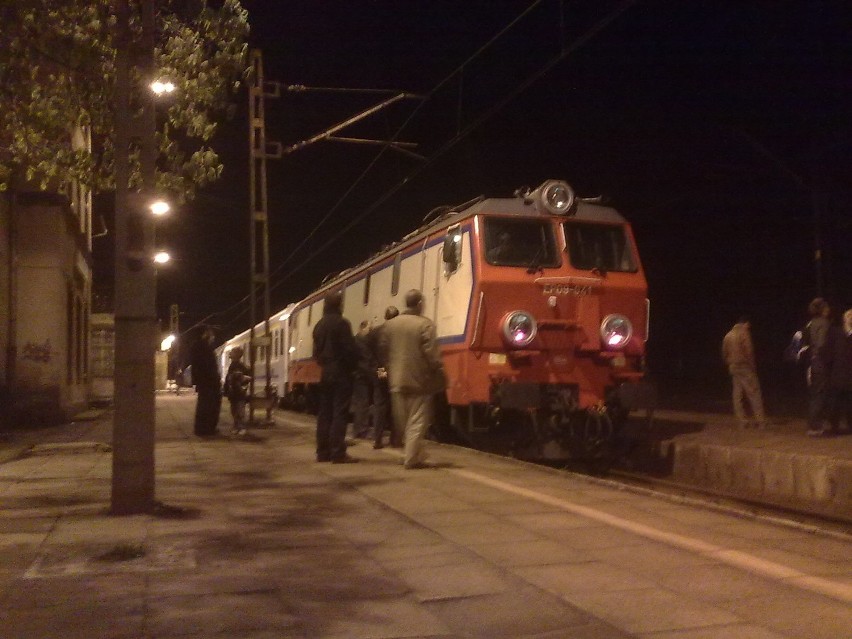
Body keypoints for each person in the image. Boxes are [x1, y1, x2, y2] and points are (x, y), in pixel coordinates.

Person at [380, 289, 446, 469]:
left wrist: (387, 370)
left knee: (403, 421)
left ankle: (414, 453)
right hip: (419, 380)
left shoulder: (389, 326)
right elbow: (432, 355)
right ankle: (411, 458)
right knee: (417, 421)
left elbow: (383, 352)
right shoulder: (425, 325)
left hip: (396, 380)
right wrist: (438, 370)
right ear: (419, 304)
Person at [312, 291, 360, 463]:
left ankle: (322, 452)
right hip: (341, 372)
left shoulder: (319, 325)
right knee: (340, 412)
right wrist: (353, 366)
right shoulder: (342, 324)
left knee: (324, 413)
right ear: (340, 305)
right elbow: (350, 350)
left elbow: (315, 353)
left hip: (326, 372)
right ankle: (338, 452)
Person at [721, 316, 766, 428]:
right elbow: (749, 351)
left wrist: (730, 362)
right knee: (754, 392)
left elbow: (724, 353)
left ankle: (742, 421)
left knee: (737, 394)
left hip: (733, 366)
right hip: (744, 366)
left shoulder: (728, 335)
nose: (749, 328)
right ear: (745, 323)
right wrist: (753, 366)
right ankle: (760, 420)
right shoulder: (744, 333)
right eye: (748, 325)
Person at [368, 306, 400, 449]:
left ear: (385, 317)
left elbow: (368, 352)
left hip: (380, 370)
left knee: (380, 405)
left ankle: (377, 439)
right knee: (395, 405)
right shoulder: (400, 332)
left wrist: (376, 367)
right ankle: (394, 439)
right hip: (396, 371)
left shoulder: (375, 332)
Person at [820, 308, 852, 436]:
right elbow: (827, 351)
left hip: (850, 374)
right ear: (844, 318)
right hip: (837, 373)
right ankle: (834, 427)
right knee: (835, 403)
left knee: (850, 402)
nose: (851, 318)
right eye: (849, 315)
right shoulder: (835, 332)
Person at [804, 298, 832, 436]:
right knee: (820, 393)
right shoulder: (824, 323)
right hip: (820, 362)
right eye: (826, 307)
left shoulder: (811, 323)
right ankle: (816, 426)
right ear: (822, 309)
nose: (829, 310)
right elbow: (821, 344)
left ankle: (813, 424)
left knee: (815, 393)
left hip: (813, 361)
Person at [189, 325, 222, 437]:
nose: (212, 336)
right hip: (208, 382)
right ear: (205, 334)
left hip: (204, 382)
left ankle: (203, 428)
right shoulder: (203, 347)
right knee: (208, 406)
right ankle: (206, 429)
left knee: (204, 405)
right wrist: (215, 379)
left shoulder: (197, 346)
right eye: (210, 333)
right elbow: (208, 366)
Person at [351, 320, 375, 439]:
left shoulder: (355, 340)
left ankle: (358, 429)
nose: (371, 331)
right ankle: (361, 430)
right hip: (362, 376)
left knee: (360, 403)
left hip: (357, 375)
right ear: (363, 328)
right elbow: (366, 361)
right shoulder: (362, 342)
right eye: (369, 329)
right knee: (362, 404)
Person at [223, 346, 251, 436]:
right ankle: (236, 426)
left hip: (239, 393)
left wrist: (241, 379)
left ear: (237, 355)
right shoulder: (232, 365)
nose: (230, 354)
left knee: (240, 411)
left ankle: (241, 427)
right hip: (234, 393)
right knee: (234, 410)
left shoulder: (241, 366)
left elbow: (248, 377)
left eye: (232, 352)